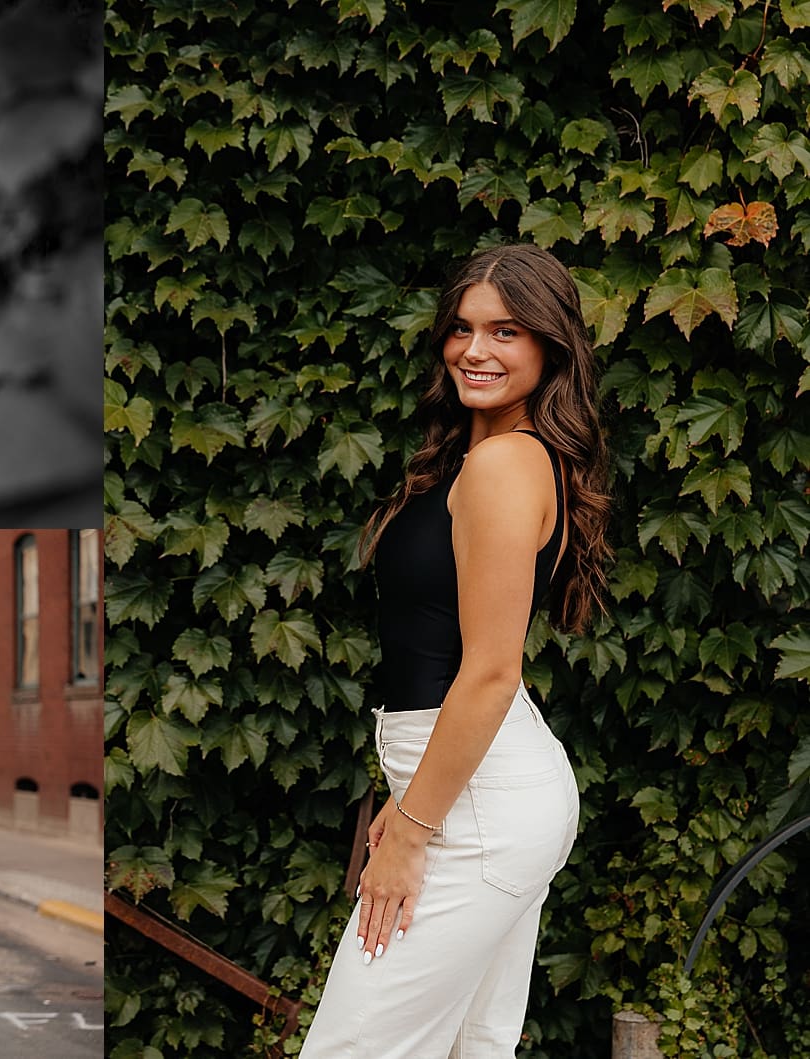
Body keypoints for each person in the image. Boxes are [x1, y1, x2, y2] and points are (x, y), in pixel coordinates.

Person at [300, 244, 611, 1057]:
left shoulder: (507, 463)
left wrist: (408, 826)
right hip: (478, 789)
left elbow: (492, 672)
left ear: (550, 346)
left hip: (474, 807)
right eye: (463, 329)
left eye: (506, 331)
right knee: (475, 1047)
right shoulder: (494, 457)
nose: (476, 350)